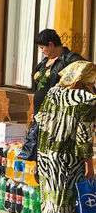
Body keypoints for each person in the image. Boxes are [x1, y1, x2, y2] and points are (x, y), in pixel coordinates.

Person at [34, 60, 96, 213]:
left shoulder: (53, 92)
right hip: (69, 156)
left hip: (46, 151)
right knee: (69, 196)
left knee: (52, 195)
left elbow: (40, 119)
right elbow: (83, 136)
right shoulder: (87, 99)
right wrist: (90, 165)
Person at [19, 29, 85, 161]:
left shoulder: (69, 59)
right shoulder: (44, 62)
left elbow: (85, 71)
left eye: (43, 48)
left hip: (56, 115)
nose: (42, 51)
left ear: (51, 44)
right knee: (38, 150)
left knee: (51, 151)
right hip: (40, 114)